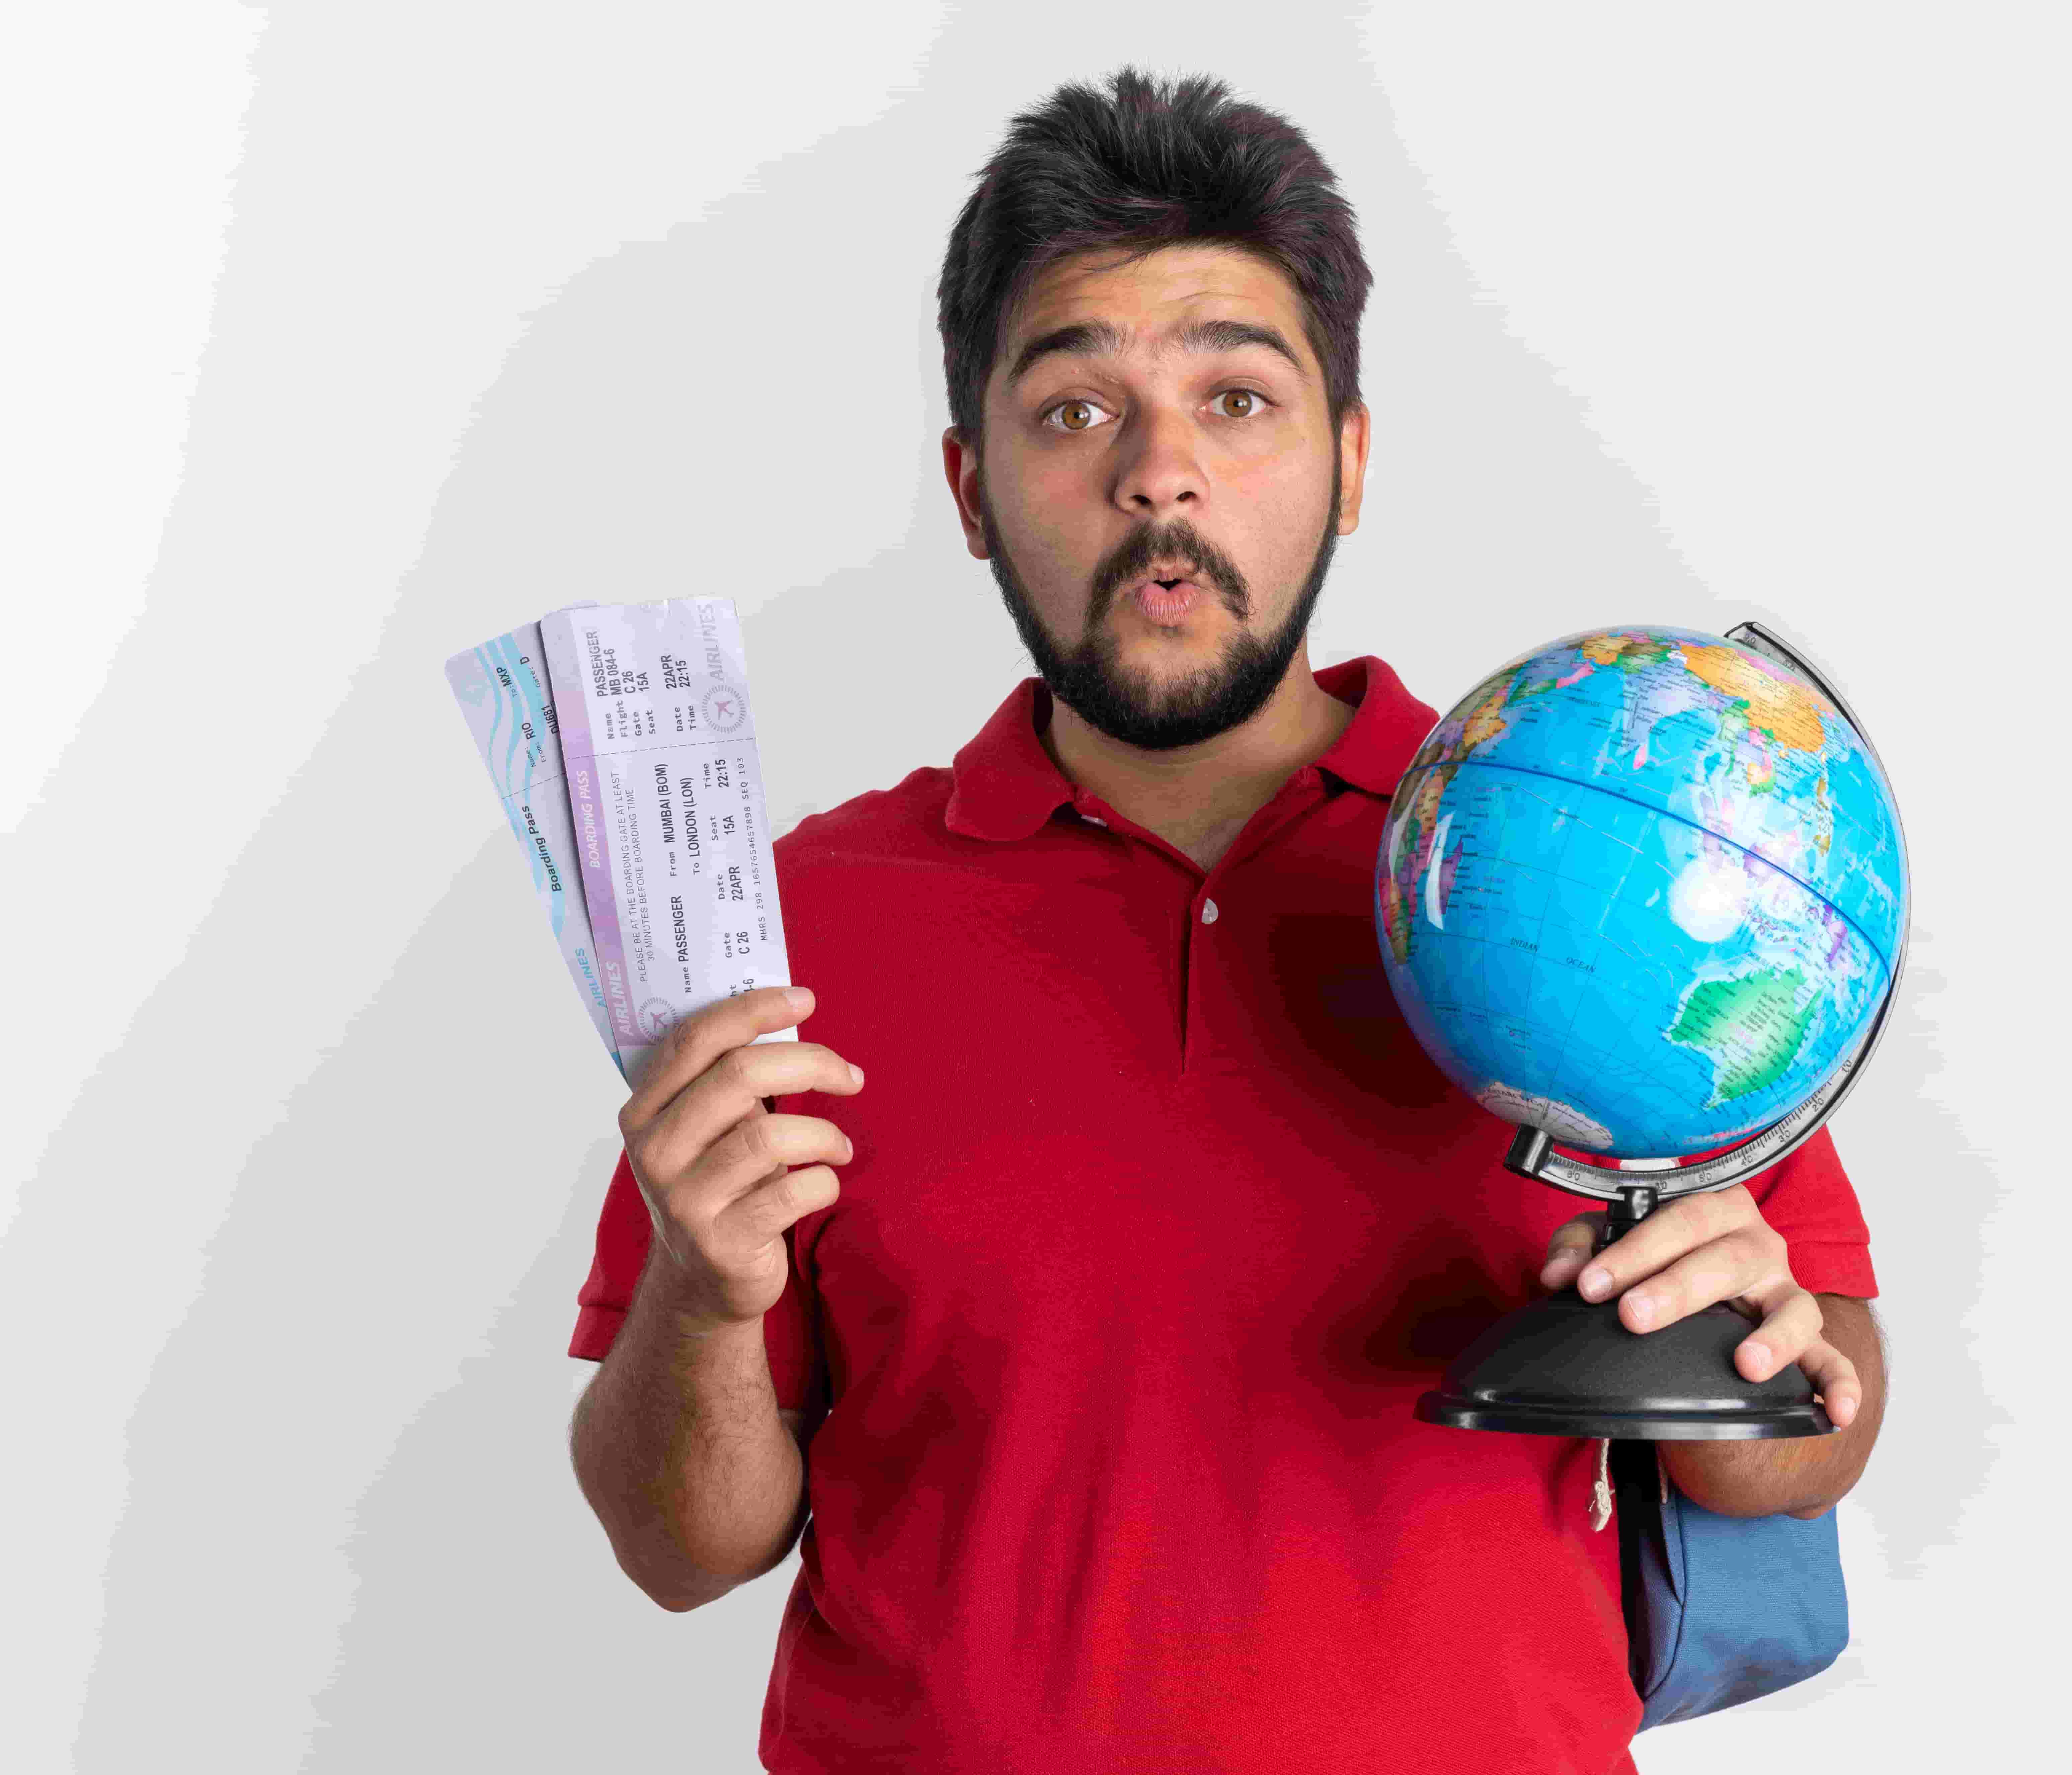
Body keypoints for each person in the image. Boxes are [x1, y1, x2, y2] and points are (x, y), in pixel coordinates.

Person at [567, 66, 1888, 1775]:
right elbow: (684, 1553)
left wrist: (1765, 1344)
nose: (1159, 476)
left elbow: (1797, 1444)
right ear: (969, 492)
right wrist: (697, 1287)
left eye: (1238, 399)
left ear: (1345, 463)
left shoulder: (1608, 858)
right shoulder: (799, 924)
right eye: (1074, 411)